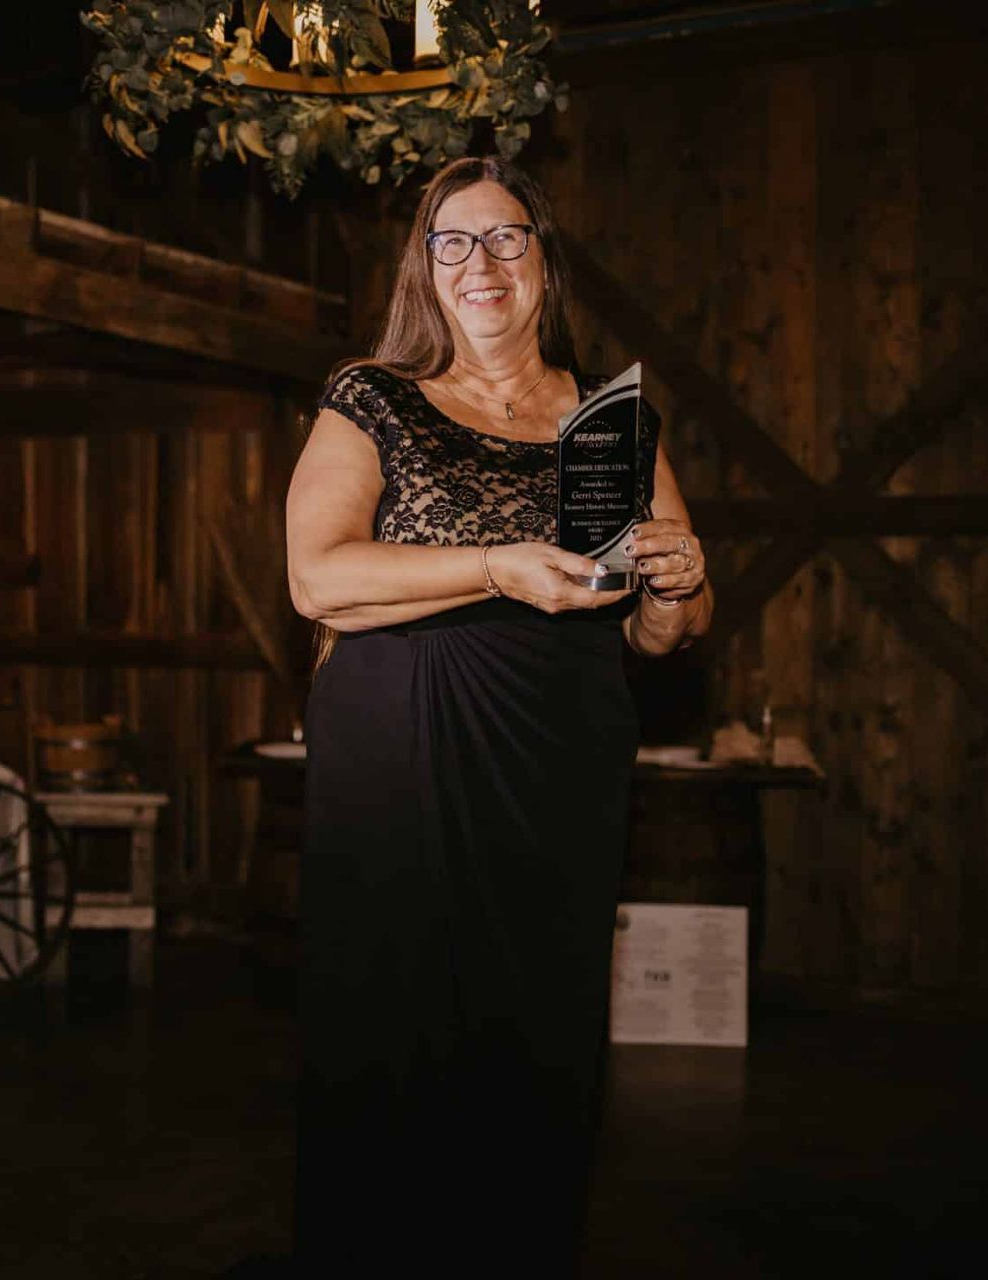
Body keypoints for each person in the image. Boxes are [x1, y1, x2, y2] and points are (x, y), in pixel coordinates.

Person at [284, 155, 711, 1276]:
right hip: (404, 747)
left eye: (506, 238)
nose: (481, 263)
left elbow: (665, 636)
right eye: (452, 242)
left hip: (560, 757)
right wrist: (495, 566)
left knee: (540, 1033)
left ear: (543, 260)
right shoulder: (370, 396)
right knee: (394, 1028)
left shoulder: (612, 420)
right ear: (424, 270)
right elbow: (316, 579)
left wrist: (679, 582)